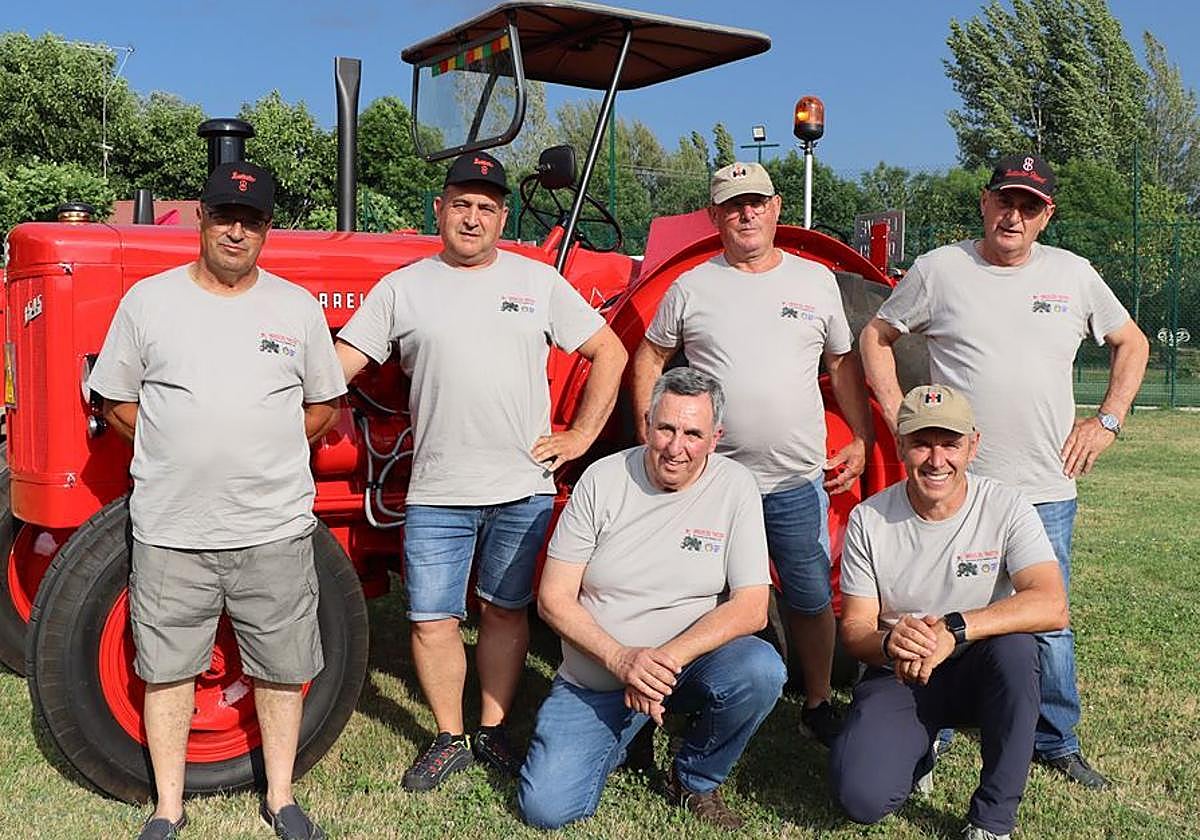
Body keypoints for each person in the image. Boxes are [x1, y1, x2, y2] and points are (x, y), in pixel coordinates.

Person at [335, 151, 627, 792]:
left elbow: (609, 349)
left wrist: (580, 435)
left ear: (502, 217)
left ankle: (492, 729)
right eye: (461, 205)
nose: (472, 218)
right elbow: (341, 365)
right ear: (439, 210)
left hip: (519, 487)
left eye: (486, 208)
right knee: (431, 619)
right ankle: (448, 736)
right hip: (437, 489)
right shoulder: (403, 288)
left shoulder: (538, 281)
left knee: (502, 610)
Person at [859, 153, 1149, 789]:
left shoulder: (1073, 276)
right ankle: (923, 726)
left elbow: (1133, 342)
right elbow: (874, 336)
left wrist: (1107, 421)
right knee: (933, 605)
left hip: (1043, 487)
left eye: (1030, 205)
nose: (1013, 214)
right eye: (1004, 200)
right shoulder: (941, 269)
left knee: (1046, 620)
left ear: (1047, 215)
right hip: (951, 488)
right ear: (985, 203)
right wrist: (894, 411)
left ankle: (1056, 739)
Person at [89, 162, 344, 840]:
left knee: (282, 667)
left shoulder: (295, 308)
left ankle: (281, 798)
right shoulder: (150, 302)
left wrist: (269, 448)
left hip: (274, 526)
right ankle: (167, 808)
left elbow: (323, 404)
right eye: (226, 214)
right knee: (168, 669)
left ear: (267, 229)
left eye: (252, 218)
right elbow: (115, 399)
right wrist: (171, 445)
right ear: (200, 217)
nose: (238, 229)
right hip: (173, 526)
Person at [631, 161, 873, 745]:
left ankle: (816, 703)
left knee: (810, 592)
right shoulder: (692, 286)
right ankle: (695, 693)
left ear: (776, 207)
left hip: (794, 479)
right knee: (697, 592)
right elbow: (649, 357)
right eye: (733, 204)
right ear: (714, 216)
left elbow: (841, 365)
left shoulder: (815, 281)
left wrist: (862, 438)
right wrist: (652, 428)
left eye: (756, 202)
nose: (746, 213)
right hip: (713, 482)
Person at [518, 368, 786, 831]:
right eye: (666, 428)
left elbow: (751, 607)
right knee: (546, 809)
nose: (675, 447)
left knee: (760, 669)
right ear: (646, 424)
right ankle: (628, 733)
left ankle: (696, 779)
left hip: (682, 669)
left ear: (715, 437)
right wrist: (622, 661)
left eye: (693, 434)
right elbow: (552, 599)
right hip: (597, 677)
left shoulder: (736, 486)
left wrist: (656, 664)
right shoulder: (600, 481)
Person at [832, 385, 1068, 840]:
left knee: (1018, 651)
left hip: (980, 665)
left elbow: (1051, 604)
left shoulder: (1006, 505)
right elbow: (855, 629)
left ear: (973, 445)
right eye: (921, 443)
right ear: (900, 445)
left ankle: (992, 819)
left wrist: (954, 630)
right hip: (901, 671)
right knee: (859, 798)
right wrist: (888, 641)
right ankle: (921, 748)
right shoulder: (869, 518)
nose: (936, 460)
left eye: (950, 444)